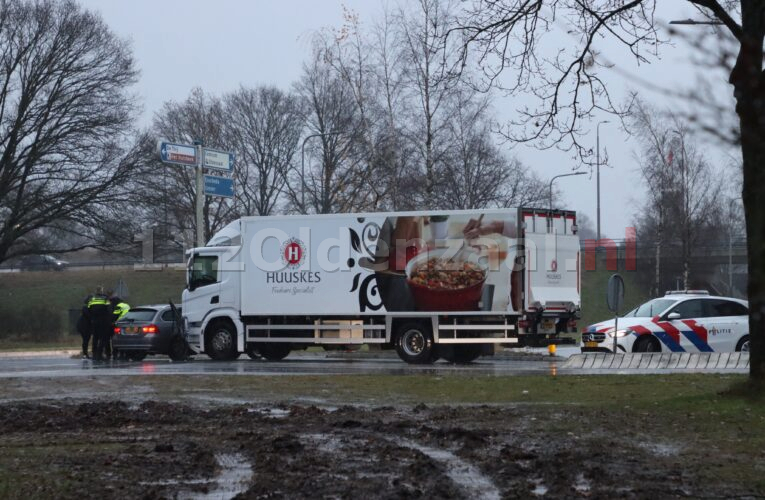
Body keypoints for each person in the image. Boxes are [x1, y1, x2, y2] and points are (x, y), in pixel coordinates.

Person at [87, 287, 113, 361]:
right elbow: (109, 310)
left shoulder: (92, 299)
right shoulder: (105, 298)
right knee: (103, 338)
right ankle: (99, 354)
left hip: (94, 321)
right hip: (103, 321)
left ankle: (94, 354)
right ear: (101, 291)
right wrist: (110, 319)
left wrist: (91, 318)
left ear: (95, 291)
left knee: (95, 338)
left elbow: (88, 309)